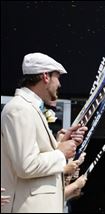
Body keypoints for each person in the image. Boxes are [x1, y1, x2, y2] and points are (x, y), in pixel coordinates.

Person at [1, 52, 88, 213]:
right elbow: (26, 166)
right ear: (45, 77)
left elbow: (34, 155)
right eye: (58, 77)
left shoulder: (29, 108)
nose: (59, 84)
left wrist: (60, 144)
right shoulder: (19, 109)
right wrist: (61, 154)